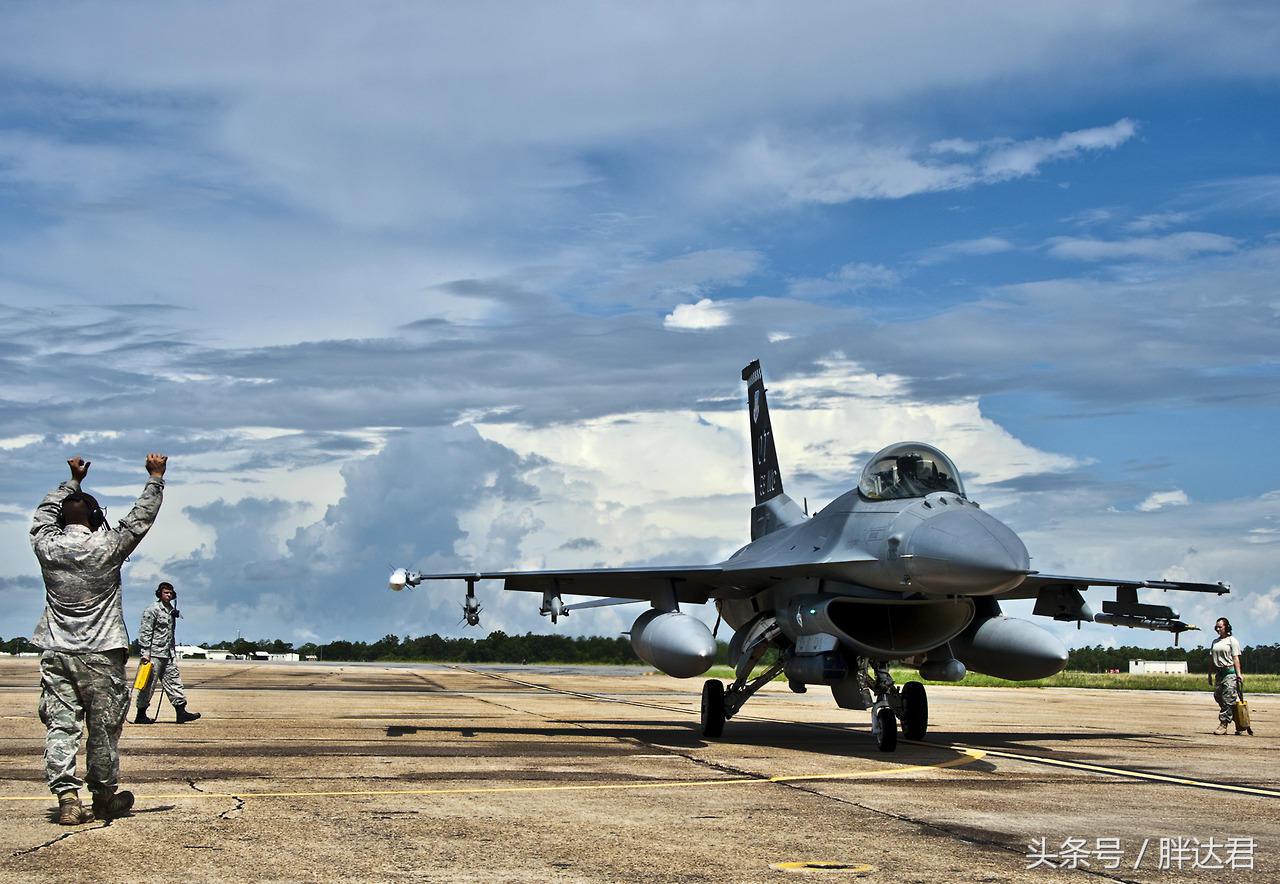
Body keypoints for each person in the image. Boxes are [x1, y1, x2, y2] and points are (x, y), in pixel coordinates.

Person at [30, 453, 167, 825]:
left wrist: (72, 482)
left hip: (56, 649)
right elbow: (139, 520)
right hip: (101, 651)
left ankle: (67, 798)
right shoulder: (107, 546)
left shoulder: (46, 546)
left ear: (62, 518)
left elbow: (43, 514)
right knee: (103, 728)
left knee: (61, 726)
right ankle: (104, 797)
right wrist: (155, 478)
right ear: (94, 518)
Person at [134, 582, 200, 724]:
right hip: (154, 654)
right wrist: (145, 652)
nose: (168, 595)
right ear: (160, 594)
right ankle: (141, 714)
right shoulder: (152, 610)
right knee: (148, 685)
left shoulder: (171, 610)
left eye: (170, 593)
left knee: (174, 681)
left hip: (168, 653)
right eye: (166, 593)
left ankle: (181, 712)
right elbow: (145, 631)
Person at [1209, 617, 1245, 735]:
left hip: (1230, 672)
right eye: (1216, 627)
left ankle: (1223, 724)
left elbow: (1236, 658)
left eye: (1220, 627)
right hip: (1219, 673)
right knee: (1218, 696)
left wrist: (1239, 675)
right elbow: (1211, 659)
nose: (1218, 629)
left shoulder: (1232, 640)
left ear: (1226, 627)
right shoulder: (1215, 642)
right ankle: (1239, 721)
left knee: (1228, 698)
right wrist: (1209, 674)